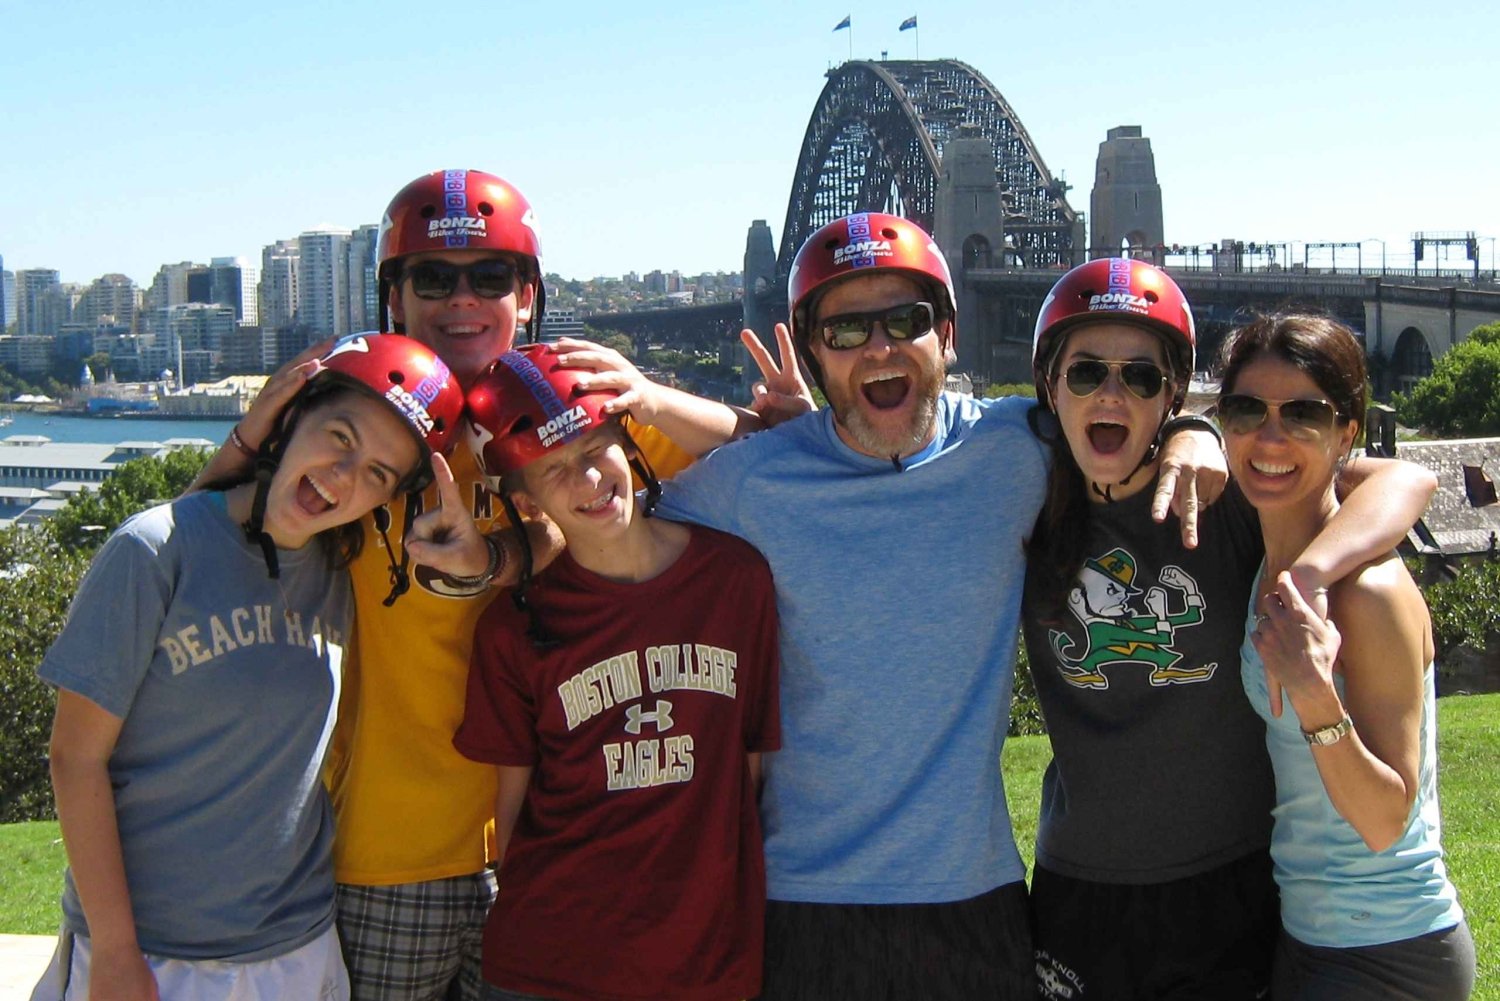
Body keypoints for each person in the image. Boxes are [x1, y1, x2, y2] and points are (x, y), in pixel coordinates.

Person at [189, 169, 760, 1001]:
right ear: (395, 297)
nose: (463, 299)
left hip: (549, 845)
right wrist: (248, 434)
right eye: (433, 278)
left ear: (527, 295)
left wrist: (645, 393)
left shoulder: (567, 409)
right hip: (390, 854)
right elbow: (209, 536)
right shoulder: (365, 417)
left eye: (489, 276)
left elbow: (753, 456)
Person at [653, 212, 1229, 999]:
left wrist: (1199, 429)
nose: (880, 347)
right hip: (805, 901)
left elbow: (1127, 404)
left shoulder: (1017, 447)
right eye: (847, 328)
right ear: (816, 352)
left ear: (947, 333)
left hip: (974, 895)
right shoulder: (749, 483)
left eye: (906, 320)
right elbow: (607, 531)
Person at [1021, 260, 1440, 1000]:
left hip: (1231, 884)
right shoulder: (1016, 494)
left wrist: (1299, 570)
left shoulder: (1237, 496)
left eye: (1142, 380)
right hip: (1082, 886)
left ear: (1173, 393)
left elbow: (1403, 480)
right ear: (1050, 387)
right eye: (1086, 372)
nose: (1112, 394)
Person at [33, 334, 462, 1001]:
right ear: (288, 417)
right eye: (339, 436)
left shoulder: (337, 575)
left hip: (296, 947)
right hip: (150, 952)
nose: (344, 475)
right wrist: (116, 952)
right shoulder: (151, 552)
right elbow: (74, 758)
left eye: (378, 472)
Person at [450, 344, 780, 1001]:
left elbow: (747, 773)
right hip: (551, 963)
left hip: (706, 958)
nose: (588, 482)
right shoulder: (513, 628)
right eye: (552, 471)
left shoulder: (736, 580)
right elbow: (511, 817)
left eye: (593, 449)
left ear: (628, 442)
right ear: (522, 497)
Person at [1222, 314, 1474, 1000]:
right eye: (1247, 409)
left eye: (1303, 414)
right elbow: (1402, 478)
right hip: (1307, 935)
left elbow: (1386, 818)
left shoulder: (1369, 593)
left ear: (1346, 435)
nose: (1269, 436)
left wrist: (1314, 694)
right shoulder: (1269, 564)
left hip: (1388, 947)